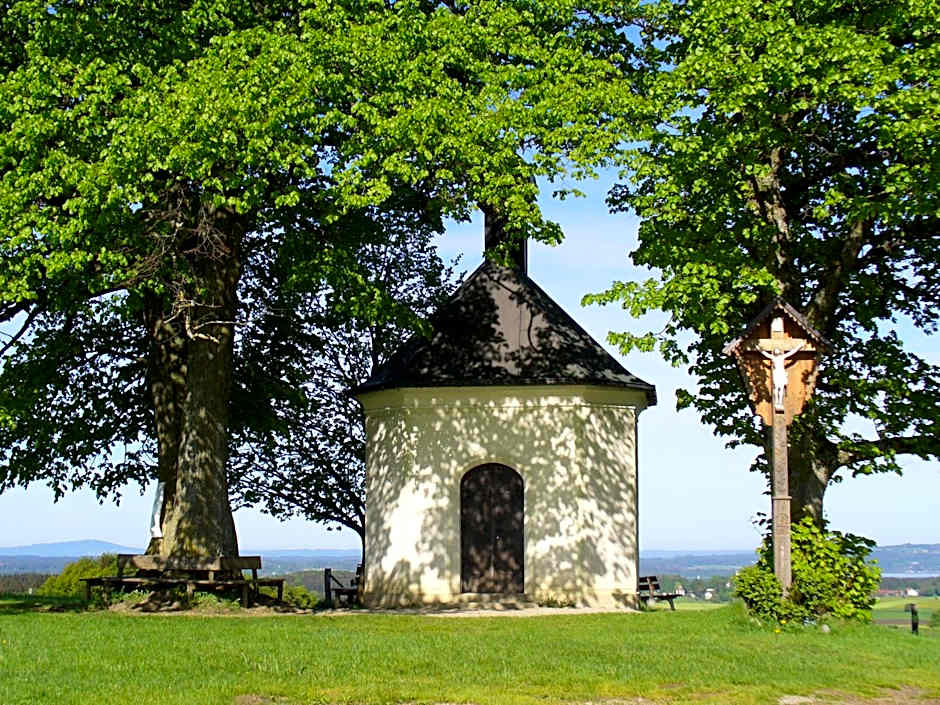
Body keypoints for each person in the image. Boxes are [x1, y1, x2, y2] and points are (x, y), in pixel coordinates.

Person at [759, 343, 804, 411]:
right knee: (776, 387)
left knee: (781, 388)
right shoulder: (773, 357)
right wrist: (758, 348)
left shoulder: (782, 357)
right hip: (776, 372)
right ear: (774, 352)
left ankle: (780, 402)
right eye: (775, 350)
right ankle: (776, 402)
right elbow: (765, 354)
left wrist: (799, 346)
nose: (777, 351)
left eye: (778, 350)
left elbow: (792, 352)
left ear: (779, 351)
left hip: (781, 372)